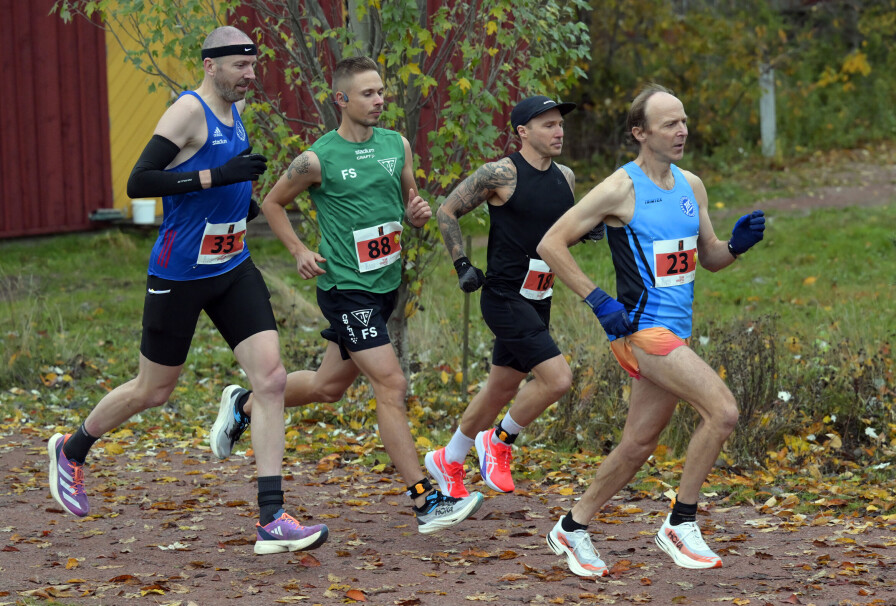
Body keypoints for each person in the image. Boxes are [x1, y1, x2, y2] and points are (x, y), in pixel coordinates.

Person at [46, 26, 329, 555]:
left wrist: (252, 208)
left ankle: (272, 517)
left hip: (232, 267)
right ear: (211, 65)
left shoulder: (234, 110)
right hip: (179, 274)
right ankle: (73, 447)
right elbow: (140, 181)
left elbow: (228, 188)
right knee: (153, 390)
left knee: (270, 379)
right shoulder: (188, 111)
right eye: (240, 66)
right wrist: (218, 176)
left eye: (253, 65)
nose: (251, 75)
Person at [207, 56, 483, 534]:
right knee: (391, 384)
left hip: (384, 287)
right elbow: (272, 203)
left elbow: (409, 204)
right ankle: (426, 501)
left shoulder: (396, 146)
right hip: (345, 289)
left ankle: (243, 405)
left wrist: (416, 213)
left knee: (326, 387)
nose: (379, 101)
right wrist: (297, 249)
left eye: (381, 92)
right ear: (341, 100)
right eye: (368, 94)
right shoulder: (317, 159)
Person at [536, 83, 766, 575]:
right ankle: (680, 522)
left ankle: (571, 528)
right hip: (641, 332)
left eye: (683, 121)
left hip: (675, 334)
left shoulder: (692, 185)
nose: (681, 130)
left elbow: (710, 258)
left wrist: (738, 245)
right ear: (640, 132)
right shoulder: (621, 187)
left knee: (637, 444)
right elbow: (551, 243)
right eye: (669, 124)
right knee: (722, 412)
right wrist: (598, 300)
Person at [424, 96, 600, 501]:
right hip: (503, 296)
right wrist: (461, 264)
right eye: (548, 125)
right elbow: (446, 211)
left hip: (540, 296)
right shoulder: (499, 174)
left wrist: (584, 232)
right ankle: (499, 441)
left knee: (500, 389)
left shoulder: (566, 177)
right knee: (557, 379)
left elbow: (552, 233)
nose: (559, 132)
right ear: (523, 132)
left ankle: (449, 459)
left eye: (560, 124)